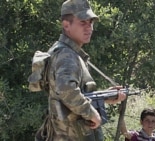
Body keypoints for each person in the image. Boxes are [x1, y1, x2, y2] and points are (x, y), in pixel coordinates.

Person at [35, 0, 126, 141]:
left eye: (91, 22)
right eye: (83, 22)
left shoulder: (60, 50)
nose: (89, 28)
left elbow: (70, 95)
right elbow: (66, 90)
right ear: (66, 25)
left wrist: (105, 97)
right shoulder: (67, 55)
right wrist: (92, 114)